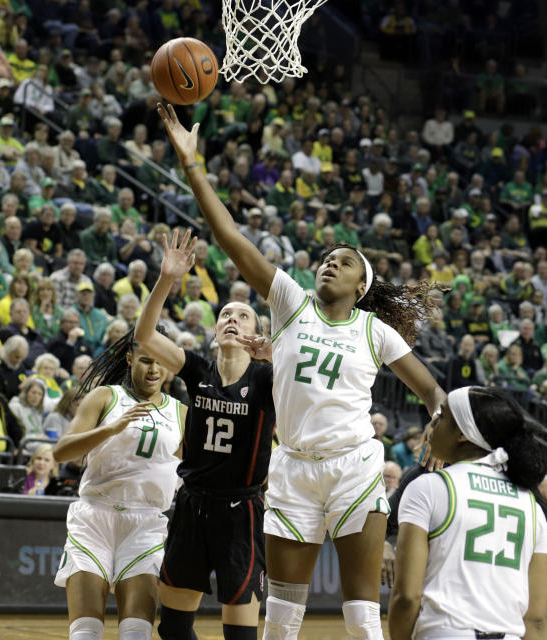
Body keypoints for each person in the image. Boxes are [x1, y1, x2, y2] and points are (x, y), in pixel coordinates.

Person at [158, 105, 445, 639]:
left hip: (354, 468)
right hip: (291, 470)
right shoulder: (291, 303)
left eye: (345, 261)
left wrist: (436, 422)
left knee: (361, 617)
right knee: (283, 618)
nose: (330, 263)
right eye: (327, 258)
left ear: (361, 286)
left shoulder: (373, 331)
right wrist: (192, 165)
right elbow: (231, 238)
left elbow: (431, 390)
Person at [133, 230, 276, 640]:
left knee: (240, 635)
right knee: (174, 628)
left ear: (256, 334)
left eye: (243, 315)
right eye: (225, 316)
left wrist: (279, 356)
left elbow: (307, 399)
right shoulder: (197, 371)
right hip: (193, 506)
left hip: (242, 513)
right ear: (215, 333)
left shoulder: (269, 378)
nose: (232, 319)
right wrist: (166, 279)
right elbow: (144, 336)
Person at [51, 325, 187, 640]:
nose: (154, 369)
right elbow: (61, 452)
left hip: (145, 524)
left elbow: (199, 470)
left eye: (159, 361)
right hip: (94, 517)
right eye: (145, 360)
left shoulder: (180, 412)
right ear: (129, 359)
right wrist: (110, 429)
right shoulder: (105, 396)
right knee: (85, 632)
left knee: (136, 633)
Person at [388, 386, 547, 640]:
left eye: (442, 417)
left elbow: (407, 596)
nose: (432, 425)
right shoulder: (531, 505)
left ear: (462, 434)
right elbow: (537, 618)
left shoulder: (429, 487)